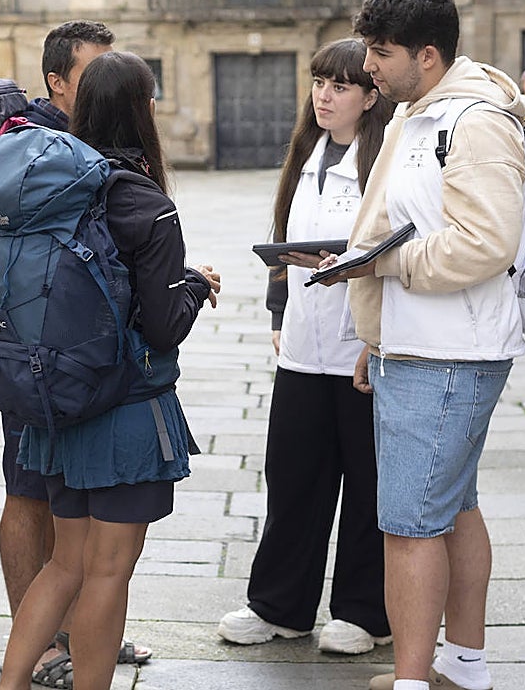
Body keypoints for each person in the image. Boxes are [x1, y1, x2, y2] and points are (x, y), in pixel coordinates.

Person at [316, 0, 525, 690]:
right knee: (454, 509)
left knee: (409, 524)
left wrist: (387, 265)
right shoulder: (418, 114)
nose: (367, 65)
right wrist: (374, 334)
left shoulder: (474, 122)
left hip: (451, 353)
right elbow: (386, 224)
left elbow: (488, 242)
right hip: (419, 347)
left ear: (427, 55)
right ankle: (462, 667)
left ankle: (411, 682)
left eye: (380, 52)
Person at [0, 51, 221, 690]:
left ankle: (10, 684)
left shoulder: (48, 186)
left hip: (57, 399)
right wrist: (193, 287)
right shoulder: (143, 200)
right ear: (143, 109)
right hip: (123, 411)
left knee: (65, 564)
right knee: (108, 572)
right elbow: (161, 325)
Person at [0, 20, 157, 686]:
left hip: (31, 364)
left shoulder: (22, 162)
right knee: (79, 546)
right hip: (91, 382)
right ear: (57, 83)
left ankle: (36, 664)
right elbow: (158, 319)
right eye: (94, 74)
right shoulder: (73, 166)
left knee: (70, 552)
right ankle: (69, 657)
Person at [217, 39, 394, 655]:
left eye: (341, 86)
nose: (324, 95)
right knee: (293, 480)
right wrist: (277, 309)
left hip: (360, 349)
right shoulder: (305, 153)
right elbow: (282, 241)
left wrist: (376, 331)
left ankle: (364, 613)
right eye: (319, 82)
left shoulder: (384, 162)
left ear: (371, 96)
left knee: (368, 486)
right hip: (301, 349)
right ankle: (280, 606)